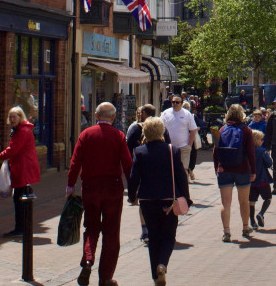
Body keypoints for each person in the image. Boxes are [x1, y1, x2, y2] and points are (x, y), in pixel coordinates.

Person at [67, 102, 133, 286]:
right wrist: (134, 190)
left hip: (90, 188)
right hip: (113, 189)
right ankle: (105, 277)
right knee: (111, 233)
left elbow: (75, 162)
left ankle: (88, 261)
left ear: (96, 116)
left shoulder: (86, 134)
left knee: (91, 228)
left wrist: (70, 186)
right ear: (113, 117)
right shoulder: (118, 136)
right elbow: (128, 164)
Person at [127, 117, 192, 286]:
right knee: (169, 236)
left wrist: (132, 196)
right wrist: (186, 197)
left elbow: (134, 178)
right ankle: (162, 264)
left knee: (154, 238)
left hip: (148, 201)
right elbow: (181, 177)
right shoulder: (173, 150)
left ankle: (155, 277)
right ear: (162, 131)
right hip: (168, 200)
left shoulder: (140, 151)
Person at [0, 106, 40, 238]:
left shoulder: (23, 131)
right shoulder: (19, 130)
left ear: (20, 117)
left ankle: (21, 228)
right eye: (10, 117)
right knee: (20, 199)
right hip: (21, 168)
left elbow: (13, 149)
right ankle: (22, 227)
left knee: (20, 200)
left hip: (23, 169)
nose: (12, 119)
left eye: (14, 117)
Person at [126, 104, 170, 243]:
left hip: (145, 172)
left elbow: (128, 147)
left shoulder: (136, 132)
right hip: (162, 175)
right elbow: (168, 146)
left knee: (144, 203)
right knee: (161, 202)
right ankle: (159, 230)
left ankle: (146, 231)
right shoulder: (164, 131)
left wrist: (132, 195)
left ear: (144, 113)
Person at [214, 104, 256, 242]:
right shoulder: (246, 130)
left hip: (224, 169)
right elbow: (251, 152)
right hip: (242, 169)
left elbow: (215, 151)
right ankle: (245, 227)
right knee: (244, 201)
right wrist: (253, 170)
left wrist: (217, 168)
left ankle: (226, 232)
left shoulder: (221, 129)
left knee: (225, 203)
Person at [160, 96, 198, 175]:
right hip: (169, 147)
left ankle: (184, 186)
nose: (175, 104)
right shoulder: (165, 113)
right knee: (169, 170)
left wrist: (189, 145)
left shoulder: (187, 114)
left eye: (177, 102)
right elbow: (160, 128)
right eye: (173, 102)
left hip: (183, 146)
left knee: (183, 170)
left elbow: (193, 130)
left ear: (181, 103)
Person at [248, 129, 273, 229]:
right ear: (256, 140)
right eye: (261, 139)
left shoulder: (247, 151)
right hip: (262, 180)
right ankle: (261, 213)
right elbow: (269, 163)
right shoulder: (262, 151)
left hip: (251, 181)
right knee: (268, 198)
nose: (263, 141)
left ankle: (252, 222)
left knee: (251, 201)